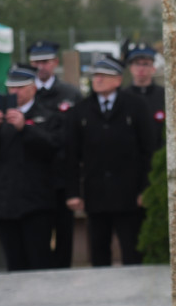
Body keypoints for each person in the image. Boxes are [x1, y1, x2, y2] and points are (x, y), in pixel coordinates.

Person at [66, 56, 157, 267]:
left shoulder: (135, 106)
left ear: (117, 80)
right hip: (95, 194)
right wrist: (73, 192)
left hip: (129, 194)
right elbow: (71, 154)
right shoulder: (81, 110)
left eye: (103, 76)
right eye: (95, 76)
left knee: (132, 250)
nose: (97, 80)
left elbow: (149, 150)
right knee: (98, 251)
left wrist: (146, 189)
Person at [0, 64, 63, 271]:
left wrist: (26, 129)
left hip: (36, 203)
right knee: (14, 264)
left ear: (33, 88)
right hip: (6, 203)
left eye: (20, 87)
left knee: (39, 261)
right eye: (11, 88)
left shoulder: (47, 115)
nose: (15, 93)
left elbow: (54, 148)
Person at [28, 40, 81, 268]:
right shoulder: (25, 94)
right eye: (37, 62)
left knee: (64, 236)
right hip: (34, 179)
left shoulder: (70, 94)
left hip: (62, 176)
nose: (41, 67)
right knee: (37, 240)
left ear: (55, 63)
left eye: (46, 62)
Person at [125, 43, 166, 144]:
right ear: (131, 68)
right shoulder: (123, 96)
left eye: (145, 64)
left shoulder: (163, 95)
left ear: (153, 68)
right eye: (137, 64)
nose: (141, 68)